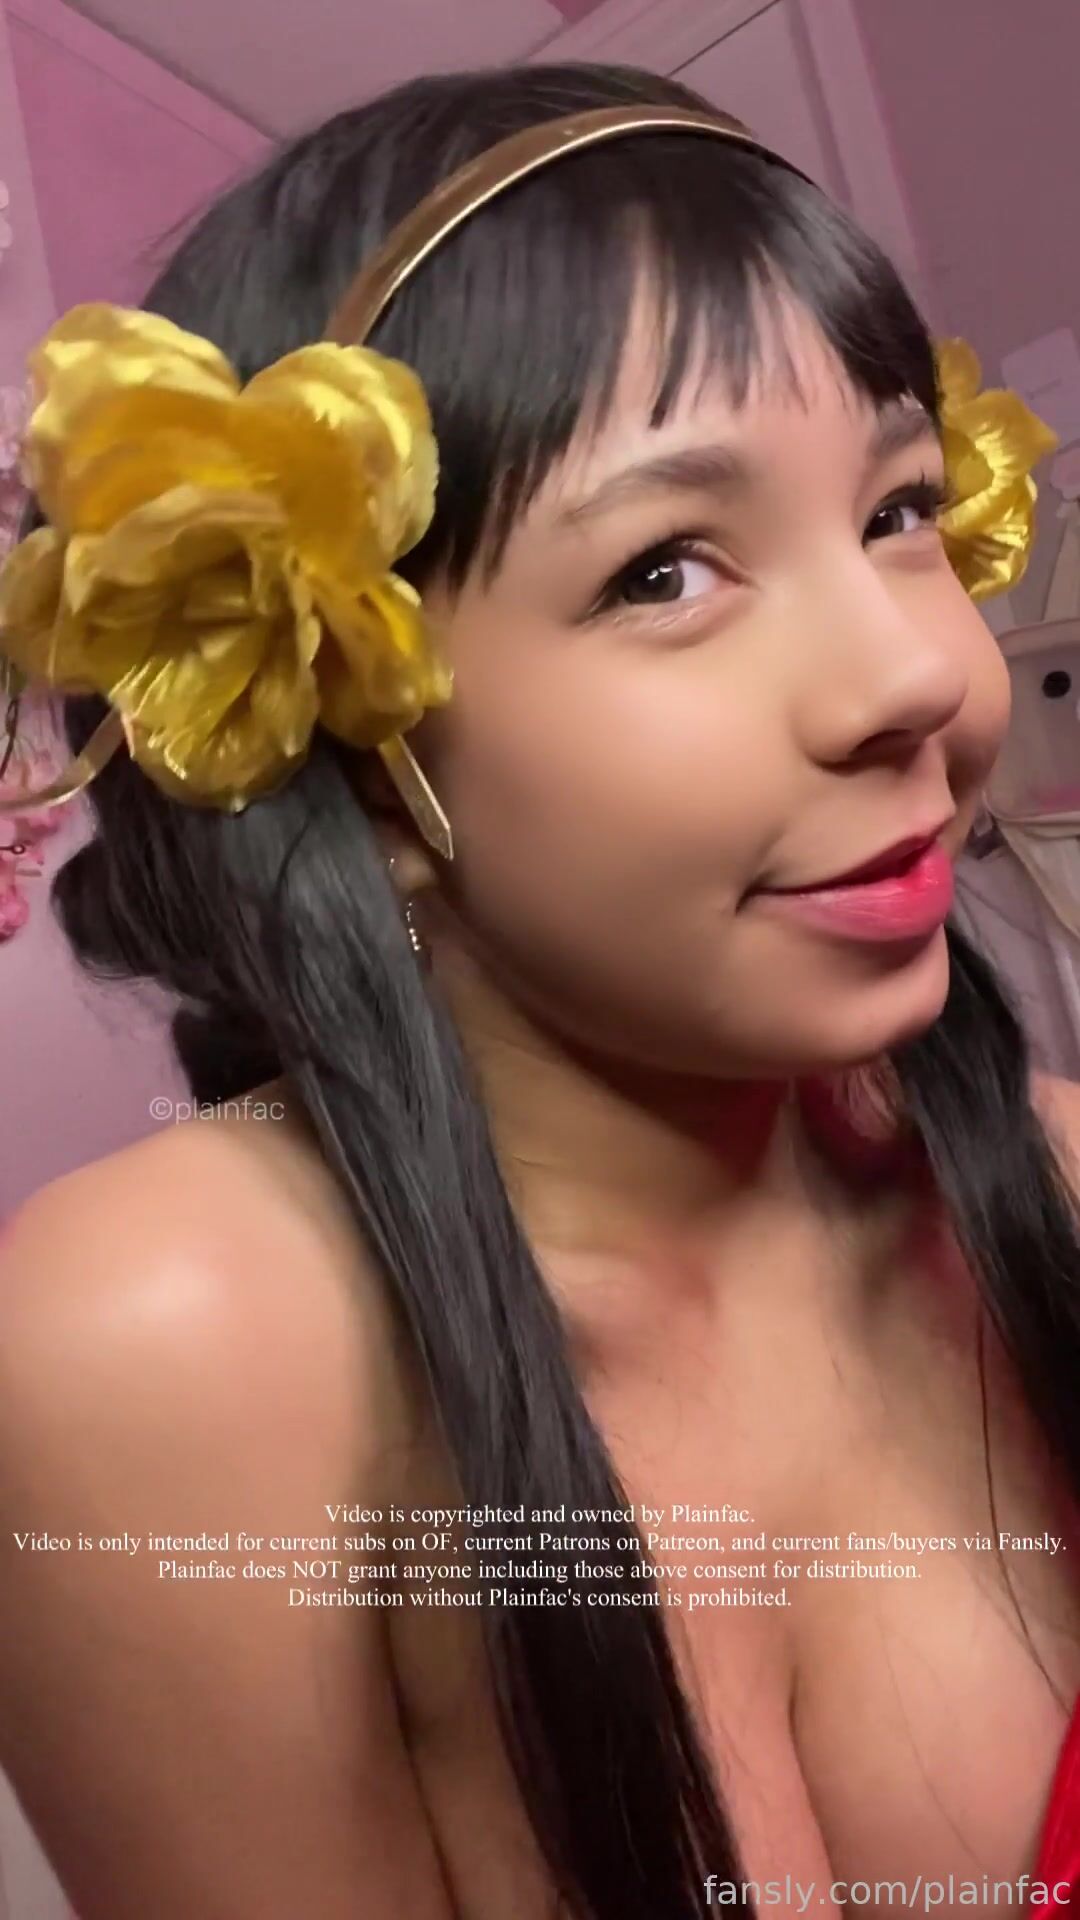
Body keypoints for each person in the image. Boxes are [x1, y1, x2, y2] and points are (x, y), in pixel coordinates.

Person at [0, 59, 1078, 1920]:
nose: (919, 676)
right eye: (666, 568)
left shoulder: (1054, 1187)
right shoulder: (165, 1350)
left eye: (900, 511)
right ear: (354, 744)